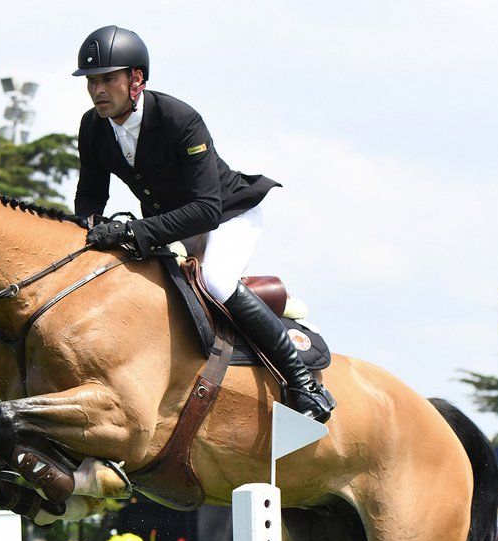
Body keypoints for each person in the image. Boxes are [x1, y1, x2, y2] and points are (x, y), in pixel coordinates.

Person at [72, 25, 335, 422]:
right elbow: (91, 194)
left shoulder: (179, 118)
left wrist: (131, 232)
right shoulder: (93, 127)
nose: (98, 91)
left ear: (136, 79)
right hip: (171, 224)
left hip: (228, 213)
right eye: (92, 81)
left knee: (216, 281)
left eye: (108, 79)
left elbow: (207, 209)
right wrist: (88, 229)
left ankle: (303, 382)